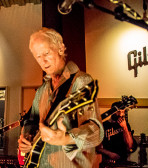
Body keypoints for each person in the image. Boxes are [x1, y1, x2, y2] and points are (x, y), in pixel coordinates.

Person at [18, 27, 104, 167]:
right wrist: (27, 139)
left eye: (46, 53)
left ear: (61, 48)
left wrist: (65, 138)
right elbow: (30, 120)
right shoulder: (42, 90)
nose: (43, 61)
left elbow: (95, 131)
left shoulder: (81, 81)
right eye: (38, 57)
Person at [98, 102, 137, 167]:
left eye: (123, 112)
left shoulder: (126, 125)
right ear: (112, 111)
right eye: (118, 112)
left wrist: (124, 127)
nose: (121, 114)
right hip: (107, 162)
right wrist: (109, 154)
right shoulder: (103, 125)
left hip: (122, 161)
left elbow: (130, 146)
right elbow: (97, 148)